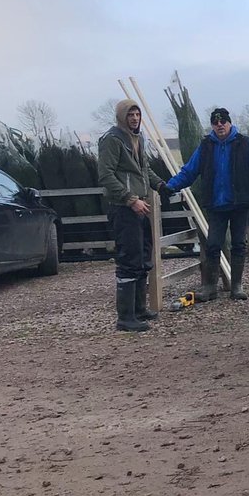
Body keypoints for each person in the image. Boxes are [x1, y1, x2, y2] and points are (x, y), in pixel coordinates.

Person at [163, 107, 249, 302]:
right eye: (215, 122)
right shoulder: (205, 147)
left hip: (240, 203)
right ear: (212, 125)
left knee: (238, 244)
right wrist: (171, 186)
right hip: (216, 204)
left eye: (223, 121)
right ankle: (210, 286)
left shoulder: (245, 145)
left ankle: (236, 285)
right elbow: (189, 171)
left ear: (229, 123)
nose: (219, 125)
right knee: (213, 245)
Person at [97, 98, 171, 332]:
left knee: (142, 256)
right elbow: (106, 175)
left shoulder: (137, 139)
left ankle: (139, 309)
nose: (135, 118)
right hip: (123, 208)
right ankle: (125, 316)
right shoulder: (112, 140)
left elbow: (143, 169)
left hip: (141, 205)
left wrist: (161, 185)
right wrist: (130, 199)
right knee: (129, 259)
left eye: (138, 115)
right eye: (130, 115)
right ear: (122, 117)